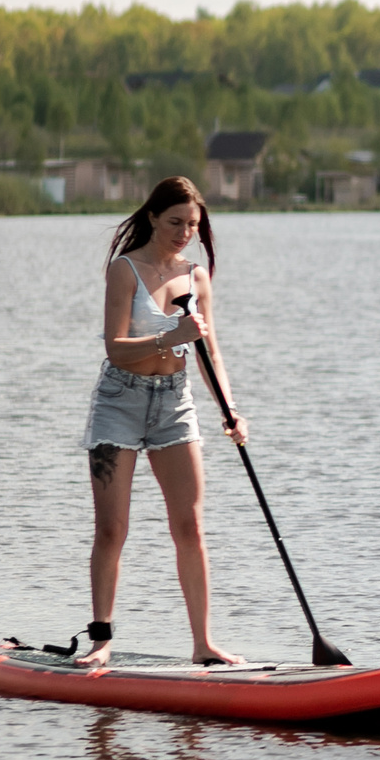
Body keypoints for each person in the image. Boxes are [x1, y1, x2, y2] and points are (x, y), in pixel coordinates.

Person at [74, 176, 250, 669]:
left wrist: (230, 411)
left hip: (175, 404)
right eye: (175, 222)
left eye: (192, 225)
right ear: (152, 216)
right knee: (112, 529)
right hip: (119, 402)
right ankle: (101, 641)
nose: (183, 233)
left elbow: (209, 352)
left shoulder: (196, 277)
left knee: (190, 525)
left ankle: (203, 644)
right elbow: (114, 347)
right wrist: (172, 333)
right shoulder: (125, 270)